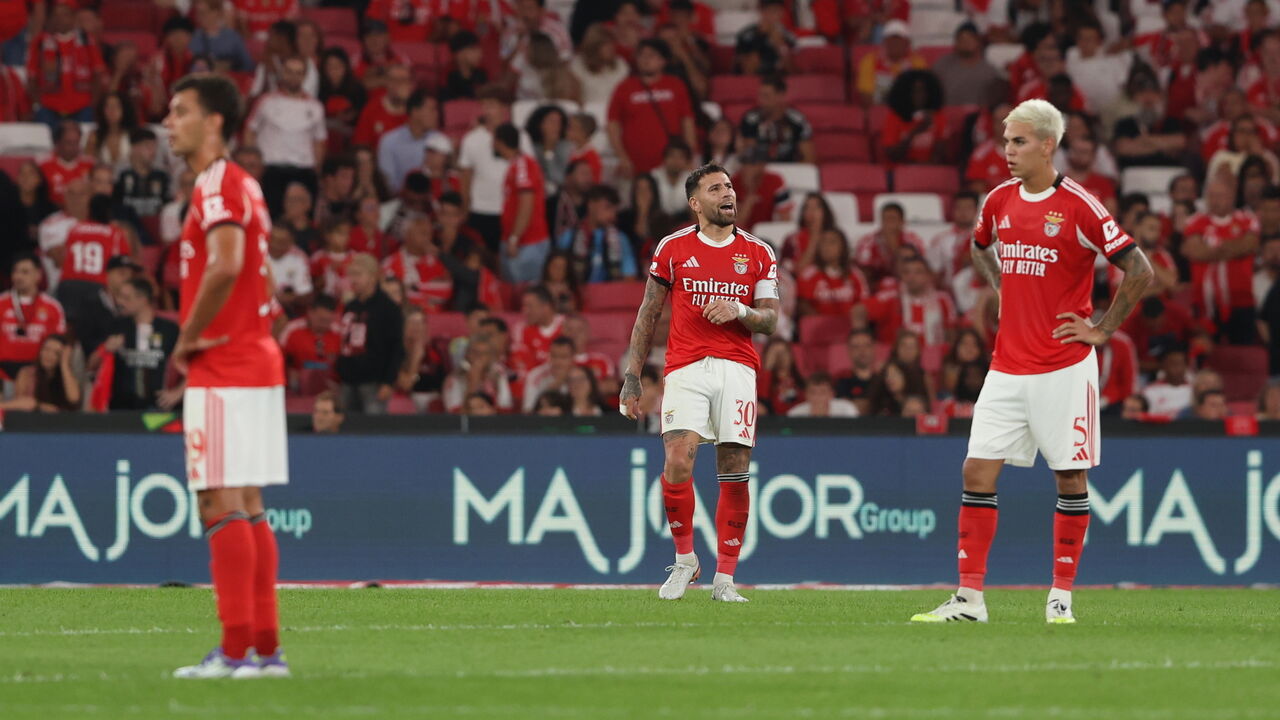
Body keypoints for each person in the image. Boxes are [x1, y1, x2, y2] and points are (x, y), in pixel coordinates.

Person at [911, 99, 1154, 625]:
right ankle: (970, 599)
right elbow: (980, 246)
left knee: (1070, 478)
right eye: (1006, 141)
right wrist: (1001, 285)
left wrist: (1102, 329)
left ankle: (1060, 596)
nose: (1007, 151)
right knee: (976, 470)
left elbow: (1139, 268)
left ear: (1048, 144)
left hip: (1064, 368)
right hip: (1005, 367)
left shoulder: (1081, 205)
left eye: (1018, 142)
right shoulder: (998, 200)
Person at [162, 74, 288, 678]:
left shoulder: (215, 185)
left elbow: (227, 262)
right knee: (248, 501)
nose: (169, 122)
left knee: (217, 501)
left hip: (225, 362)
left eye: (180, 111)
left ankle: (235, 650)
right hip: (256, 357)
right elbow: (259, 277)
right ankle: (265, 652)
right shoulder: (245, 186)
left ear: (213, 122)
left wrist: (185, 341)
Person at [619, 163, 780, 603]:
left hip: (738, 369)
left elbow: (769, 319)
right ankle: (686, 560)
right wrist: (632, 376)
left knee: (734, 471)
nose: (727, 193)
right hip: (685, 368)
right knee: (677, 460)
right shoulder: (673, 249)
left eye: (729, 186)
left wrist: (741, 311)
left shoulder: (759, 252)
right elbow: (648, 312)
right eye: (715, 188)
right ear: (696, 203)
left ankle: (725, 580)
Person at [245, 55, 327, 217]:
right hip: (272, 168)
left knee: (303, 221)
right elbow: (250, 131)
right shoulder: (266, 102)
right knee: (270, 218)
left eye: (298, 72)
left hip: (304, 170)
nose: (293, 76)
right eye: (289, 72)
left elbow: (319, 142)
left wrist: (316, 170)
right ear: (282, 73)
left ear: (304, 76)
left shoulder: (315, 107)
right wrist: (254, 164)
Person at [1182, 179, 1261, 344]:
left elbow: (1249, 245)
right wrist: (1232, 246)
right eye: (1211, 196)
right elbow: (1194, 251)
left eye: (1220, 196)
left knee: (1242, 351)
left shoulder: (1247, 219)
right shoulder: (1195, 221)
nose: (1215, 201)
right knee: (1207, 350)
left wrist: (1211, 248)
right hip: (1204, 302)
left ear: (1231, 197)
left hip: (1241, 299)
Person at [607, 38, 698, 178]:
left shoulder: (676, 85)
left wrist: (689, 155)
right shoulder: (624, 88)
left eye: (651, 55)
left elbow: (687, 122)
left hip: (671, 164)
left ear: (664, 60)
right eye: (642, 55)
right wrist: (622, 157)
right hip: (635, 163)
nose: (645, 60)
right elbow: (613, 125)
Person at [56, 194, 133, 354]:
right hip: (96, 284)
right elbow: (121, 260)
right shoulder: (114, 232)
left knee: (69, 329)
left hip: (68, 283)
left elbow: (65, 255)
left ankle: (66, 360)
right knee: (95, 328)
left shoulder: (75, 228)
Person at [93, 277, 181, 410]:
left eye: (126, 298)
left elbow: (195, 365)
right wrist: (105, 349)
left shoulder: (170, 329)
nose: (119, 302)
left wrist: (177, 393)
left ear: (143, 299)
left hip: (159, 408)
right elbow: (90, 366)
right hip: (120, 409)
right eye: (119, 297)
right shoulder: (116, 326)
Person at [336, 253, 404, 414]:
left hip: (374, 382)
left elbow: (396, 347)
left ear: (373, 277)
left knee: (372, 431)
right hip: (348, 380)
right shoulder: (351, 306)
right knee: (346, 431)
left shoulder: (388, 308)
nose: (353, 279)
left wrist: (388, 382)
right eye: (351, 274)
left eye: (358, 274)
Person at [26, 0, 106, 128]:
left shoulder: (86, 39)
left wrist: (92, 103)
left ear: (73, 17)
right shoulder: (41, 42)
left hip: (82, 106)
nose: (60, 19)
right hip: (49, 106)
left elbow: (98, 73)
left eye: (65, 15)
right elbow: (31, 77)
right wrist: (38, 102)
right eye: (56, 15)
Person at [458, 85, 513, 253]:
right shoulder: (471, 140)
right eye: (485, 105)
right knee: (481, 256)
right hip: (480, 209)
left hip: (508, 210)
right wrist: (465, 208)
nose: (488, 110)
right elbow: (465, 177)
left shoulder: (519, 136)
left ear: (504, 109)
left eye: (492, 105)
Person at [494, 123, 551, 284]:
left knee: (526, 295)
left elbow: (527, 203)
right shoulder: (517, 165)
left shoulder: (523, 165)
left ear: (499, 142)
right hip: (518, 241)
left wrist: (514, 238)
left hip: (527, 243)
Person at [0, 253, 67, 380]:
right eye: (15, 271)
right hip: (2, 373)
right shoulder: (1, 303)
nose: (18, 276)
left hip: (38, 374)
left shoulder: (53, 307)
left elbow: (58, 344)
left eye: (25, 272)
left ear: (38, 275)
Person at [557, 185, 636, 283]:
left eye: (615, 210)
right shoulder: (569, 237)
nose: (612, 214)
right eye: (607, 207)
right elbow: (556, 276)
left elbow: (629, 277)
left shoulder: (621, 239)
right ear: (591, 204)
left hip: (610, 295)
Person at [377, 89, 444, 196]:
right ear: (415, 112)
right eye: (432, 110)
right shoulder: (389, 141)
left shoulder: (440, 141)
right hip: (398, 202)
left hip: (431, 203)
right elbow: (388, 184)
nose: (436, 114)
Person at [738, 75, 814, 164]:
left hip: (790, 169)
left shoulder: (797, 121)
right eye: (760, 95)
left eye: (766, 96)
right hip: (759, 170)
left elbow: (809, 158)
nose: (761, 101)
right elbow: (749, 155)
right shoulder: (751, 119)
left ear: (781, 96)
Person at [0, 333, 81, 412]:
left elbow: (74, 398)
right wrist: (40, 406)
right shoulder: (27, 373)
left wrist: (64, 365)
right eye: (46, 349)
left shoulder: (68, 375)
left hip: (61, 422)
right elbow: (22, 403)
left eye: (56, 353)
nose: (49, 355)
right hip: (32, 420)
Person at [933, 22, 1004, 108]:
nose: (965, 43)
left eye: (969, 39)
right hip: (946, 114)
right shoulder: (943, 65)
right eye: (961, 40)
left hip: (977, 117)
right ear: (956, 43)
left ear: (978, 42)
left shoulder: (989, 71)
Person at [279, 294, 340, 391]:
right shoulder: (292, 330)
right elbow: (279, 359)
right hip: (297, 390)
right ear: (310, 312)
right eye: (321, 320)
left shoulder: (339, 333)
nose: (324, 325)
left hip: (331, 391)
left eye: (328, 321)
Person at [40, 121, 96, 207]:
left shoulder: (90, 165)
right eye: (69, 143)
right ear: (57, 143)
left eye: (76, 142)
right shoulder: (44, 165)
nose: (74, 147)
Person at [787, 372, 859, 417]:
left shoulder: (846, 410)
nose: (818, 396)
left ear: (831, 394)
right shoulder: (795, 414)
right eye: (813, 392)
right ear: (806, 395)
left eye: (823, 392)